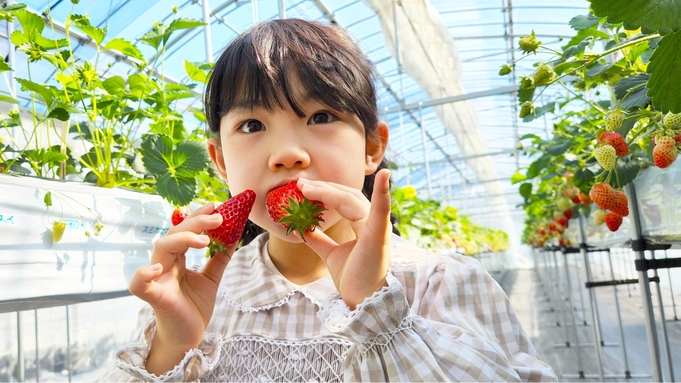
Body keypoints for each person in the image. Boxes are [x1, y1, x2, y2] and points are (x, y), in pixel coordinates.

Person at [102, 18, 556, 382]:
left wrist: (378, 315)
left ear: (372, 149)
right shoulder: (195, 295)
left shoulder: (437, 284)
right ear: (220, 161)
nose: (287, 154)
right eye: (252, 126)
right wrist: (172, 347)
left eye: (320, 115)